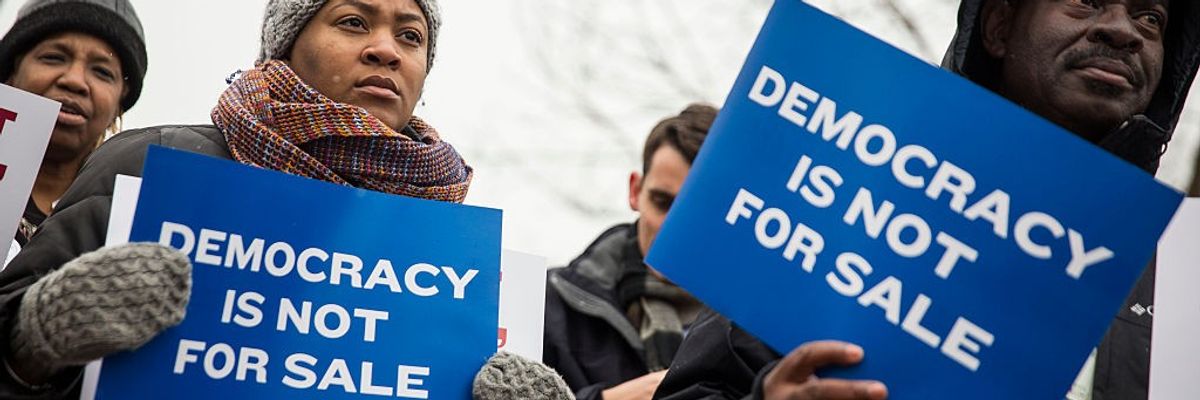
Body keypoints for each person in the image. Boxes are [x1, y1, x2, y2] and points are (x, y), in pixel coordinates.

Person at [653, 0, 1200, 399]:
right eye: (1087, 0)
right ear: (1000, 25)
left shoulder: (1183, 278)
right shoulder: (837, 206)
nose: (1123, 30)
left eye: (1150, 17)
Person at [0, 0, 510, 398]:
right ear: (286, 45)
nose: (386, 50)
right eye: (353, 22)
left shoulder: (446, 245)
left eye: (410, 36)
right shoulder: (153, 162)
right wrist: (34, 344)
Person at [543, 104, 715, 400]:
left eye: (697, 214)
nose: (673, 229)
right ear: (635, 190)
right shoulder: (549, 308)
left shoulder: (761, 328)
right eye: (663, 202)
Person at [0, 0, 147, 269]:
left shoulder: (130, 224)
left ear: (118, 107)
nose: (75, 80)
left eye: (102, 72)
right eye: (53, 58)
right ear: (10, 75)